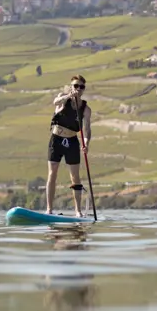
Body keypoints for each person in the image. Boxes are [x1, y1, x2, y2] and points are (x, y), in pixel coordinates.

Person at [46, 75, 92, 217]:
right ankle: (49, 210)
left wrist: (86, 143)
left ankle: (78, 211)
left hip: (72, 141)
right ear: (71, 87)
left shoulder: (86, 109)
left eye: (81, 87)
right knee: (52, 173)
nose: (78, 89)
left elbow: (87, 129)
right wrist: (68, 96)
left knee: (75, 177)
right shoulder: (63, 98)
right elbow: (55, 102)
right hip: (56, 140)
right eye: (75, 86)